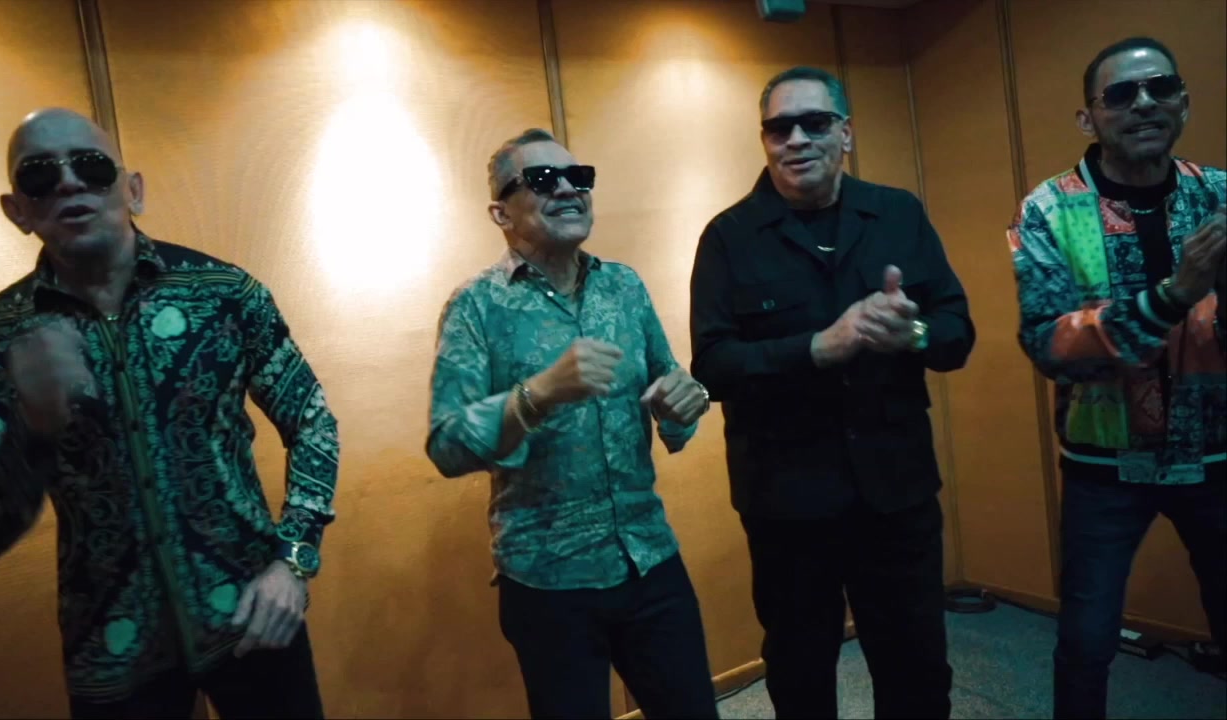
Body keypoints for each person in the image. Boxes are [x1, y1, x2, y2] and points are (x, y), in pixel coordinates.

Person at [0, 108, 339, 719]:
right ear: (17, 209)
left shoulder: (224, 295)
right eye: (41, 175)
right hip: (112, 646)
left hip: (255, 620)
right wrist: (32, 425)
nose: (70, 182)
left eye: (92, 166)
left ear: (133, 190)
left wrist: (294, 560)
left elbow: (312, 422)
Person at [690, 67, 974, 719]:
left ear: (845, 133)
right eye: (779, 128)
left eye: (814, 123)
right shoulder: (728, 237)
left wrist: (914, 333)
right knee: (800, 674)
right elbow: (712, 366)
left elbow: (956, 333)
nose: (796, 139)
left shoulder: (898, 213)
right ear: (765, 140)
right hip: (786, 504)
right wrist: (817, 347)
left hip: (896, 493)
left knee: (917, 670)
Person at [426, 128, 719, 719]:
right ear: (500, 212)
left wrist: (685, 402)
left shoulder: (624, 287)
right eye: (541, 179)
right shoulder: (476, 306)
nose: (566, 189)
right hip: (547, 580)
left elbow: (673, 391)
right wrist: (538, 393)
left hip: (648, 557)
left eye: (578, 177)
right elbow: (447, 444)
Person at [1006, 37, 1226, 719]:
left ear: (1183, 100)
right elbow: (1049, 344)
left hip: (1217, 458)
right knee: (1085, 642)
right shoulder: (1048, 209)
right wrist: (1175, 295)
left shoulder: (1219, 194)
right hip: (1103, 468)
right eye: (1122, 94)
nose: (1144, 103)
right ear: (1089, 117)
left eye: (1161, 88)